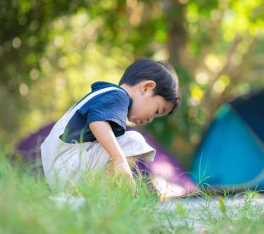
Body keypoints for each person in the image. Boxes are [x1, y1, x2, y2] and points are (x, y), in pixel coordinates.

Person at [40, 58, 180, 191]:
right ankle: (107, 194)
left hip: (59, 167)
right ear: (146, 87)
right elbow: (97, 122)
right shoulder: (119, 96)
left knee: (120, 142)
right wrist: (119, 160)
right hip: (67, 166)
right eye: (157, 110)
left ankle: (95, 193)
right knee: (135, 141)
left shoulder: (107, 94)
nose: (151, 119)